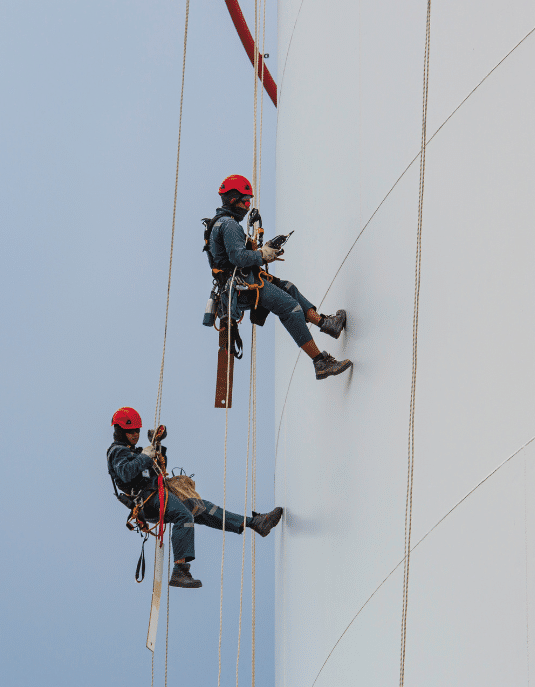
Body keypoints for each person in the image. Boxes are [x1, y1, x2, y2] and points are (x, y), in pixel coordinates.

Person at [105, 406, 284, 588]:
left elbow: (155, 470)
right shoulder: (117, 452)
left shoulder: (134, 452)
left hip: (158, 494)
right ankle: (180, 572)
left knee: (203, 507)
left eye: (137, 430)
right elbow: (126, 473)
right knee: (184, 516)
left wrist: (157, 447)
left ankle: (255, 523)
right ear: (119, 431)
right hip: (147, 500)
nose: (135, 434)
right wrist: (145, 455)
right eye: (130, 431)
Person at [207, 174, 352, 381]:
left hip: (242, 284)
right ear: (233, 199)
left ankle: (327, 324)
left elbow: (233, 259)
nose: (248, 206)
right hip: (243, 286)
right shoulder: (229, 225)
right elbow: (237, 257)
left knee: (288, 288)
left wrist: (264, 253)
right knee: (290, 308)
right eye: (246, 201)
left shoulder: (219, 223)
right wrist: (262, 254)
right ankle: (320, 361)